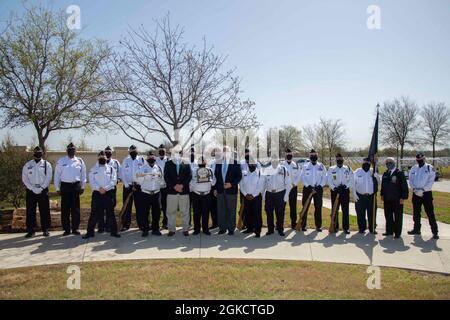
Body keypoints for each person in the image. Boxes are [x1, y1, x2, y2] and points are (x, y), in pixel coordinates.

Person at [83, 151, 120, 239]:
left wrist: (105, 188)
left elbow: (113, 181)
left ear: (106, 158)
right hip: (97, 194)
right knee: (94, 214)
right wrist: (99, 188)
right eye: (100, 157)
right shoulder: (93, 169)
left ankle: (114, 232)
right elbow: (92, 182)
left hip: (108, 193)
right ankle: (90, 232)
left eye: (103, 157)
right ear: (98, 158)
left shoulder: (111, 169)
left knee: (110, 213)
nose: (102, 159)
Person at [54, 143, 86, 236]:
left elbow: (83, 174)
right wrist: (57, 187)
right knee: (65, 209)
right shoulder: (61, 161)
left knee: (75, 209)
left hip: (75, 186)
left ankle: (75, 228)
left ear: (75, 151)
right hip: (65, 187)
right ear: (67, 151)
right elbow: (57, 175)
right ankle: (67, 229)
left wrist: (82, 186)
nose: (71, 151)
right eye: (69, 149)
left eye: (73, 149)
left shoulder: (79, 161)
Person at [21, 146, 52, 238]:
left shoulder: (47, 164)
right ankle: (31, 230)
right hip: (31, 190)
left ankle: (45, 229)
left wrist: (42, 187)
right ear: (33, 153)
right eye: (36, 152)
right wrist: (31, 188)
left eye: (39, 152)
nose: (38, 154)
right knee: (30, 211)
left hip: (43, 190)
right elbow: (24, 178)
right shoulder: (28, 165)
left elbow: (49, 177)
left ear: (42, 153)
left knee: (45, 210)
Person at [407, 153, 439, 239]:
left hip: (426, 193)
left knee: (430, 213)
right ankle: (416, 229)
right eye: (418, 160)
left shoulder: (429, 167)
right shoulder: (414, 168)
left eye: (421, 160)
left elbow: (431, 180)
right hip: (416, 193)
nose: (419, 161)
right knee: (416, 212)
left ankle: (435, 232)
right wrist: (414, 189)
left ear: (424, 159)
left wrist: (424, 190)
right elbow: (411, 180)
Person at [212, 146, 242, 235]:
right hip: (220, 190)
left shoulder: (235, 163)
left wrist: (231, 184)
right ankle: (222, 228)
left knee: (231, 210)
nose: (225, 152)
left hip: (231, 191)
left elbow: (239, 176)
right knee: (221, 210)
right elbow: (216, 177)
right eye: (223, 151)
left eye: (227, 151)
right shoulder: (218, 163)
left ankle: (231, 229)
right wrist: (215, 189)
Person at [164, 145, 192, 236]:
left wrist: (182, 185)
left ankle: (185, 229)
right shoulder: (168, 164)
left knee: (185, 211)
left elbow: (189, 176)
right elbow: (166, 176)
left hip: (184, 191)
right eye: (175, 152)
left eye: (179, 152)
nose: (177, 154)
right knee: (171, 211)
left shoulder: (186, 163)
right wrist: (174, 186)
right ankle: (171, 229)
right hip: (172, 191)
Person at [136, 151, 163, 237]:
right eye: (150, 157)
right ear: (147, 159)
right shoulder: (142, 168)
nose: (151, 159)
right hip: (146, 193)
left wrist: (158, 178)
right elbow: (137, 180)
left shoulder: (158, 168)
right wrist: (145, 177)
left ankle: (155, 229)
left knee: (157, 212)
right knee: (145, 212)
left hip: (156, 193)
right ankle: (145, 229)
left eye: (153, 157)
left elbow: (162, 181)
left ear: (155, 159)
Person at [263, 154, 291, 236]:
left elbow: (288, 184)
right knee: (269, 212)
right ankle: (270, 229)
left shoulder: (283, 169)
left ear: (278, 160)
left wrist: (286, 196)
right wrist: (263, 195)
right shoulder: (266, 170)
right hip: (269, 193)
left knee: (280, 212)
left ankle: (280, 229)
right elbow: (263, 184)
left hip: (280, 193)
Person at [380, 157, 408, 239]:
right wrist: (382, 194)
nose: (389, 164)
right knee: (388, 215)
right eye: (387, 163)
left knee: (398, 216)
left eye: (390, 163)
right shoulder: (385, 173)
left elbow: (404, 186)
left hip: (397, 199)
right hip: (387, 199)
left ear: (394, 163)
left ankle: (397, 233)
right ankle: (389, 231)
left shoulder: (399, 173)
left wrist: (403, 197)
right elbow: (383, 186)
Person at [299, 149, 327, 232]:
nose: (313, 156)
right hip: (307, 189)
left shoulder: (321, 166)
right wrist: (308, 186)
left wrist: (320, 186)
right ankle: (303, 225)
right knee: (305, 207)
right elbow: (302, 177)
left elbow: (324, 177)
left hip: (318, 189)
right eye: (312, 155)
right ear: (309, 156)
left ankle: (318, 226)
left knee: (318, 207)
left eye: (315, 155)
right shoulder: (305, 166)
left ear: (317, 156)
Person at [327, 153, 354, 234]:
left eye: (341, 158)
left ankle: (346, 228)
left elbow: (351, 179)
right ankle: (335, 226)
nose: (339, 160)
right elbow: (329, 179)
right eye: (338, 158)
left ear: (343, 159)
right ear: (336, 159)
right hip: (335, 192)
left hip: (345, 191)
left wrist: (346, 186)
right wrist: (334, 188)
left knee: (345, 210)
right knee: (335, 209)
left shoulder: (348, 168)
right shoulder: (331, 169)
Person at [120, 145, 145, 231]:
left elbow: (144, 172)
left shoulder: (142, 160)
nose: (133, 152)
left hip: (139, 187)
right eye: (131, 151)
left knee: (140, 206)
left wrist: (140, 183)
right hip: (128, 186)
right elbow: (122, 173)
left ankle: (141, 224)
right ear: (129, 152)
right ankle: (126, 225)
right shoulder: (126, 161)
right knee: (127, 206)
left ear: (137, 151)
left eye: (135, 150)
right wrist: (126, 184)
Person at [97, 146, 121, 233]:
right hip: (100, 189)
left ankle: (108, 225)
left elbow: (119, 173)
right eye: (106, 152)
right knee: (100, 208)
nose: (107, 153)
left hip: (111, 189)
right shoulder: (99, 162)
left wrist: (117, 180)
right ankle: (101, 226)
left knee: (110, 207)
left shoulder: (115, 162)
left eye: (109, 152)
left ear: (111, 153)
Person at [240, 156, 265, 237]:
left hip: (256, 197)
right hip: (246, 196)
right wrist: (245, 194)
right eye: (250, 163)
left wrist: (253, 195)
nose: (251, 165)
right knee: (248, 213)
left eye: (253, 163)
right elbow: (241, 185)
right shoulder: (244, 173)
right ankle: (249, 228)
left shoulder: (260, 173)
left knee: (257, 214)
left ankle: (257, 231)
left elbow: (260, 186)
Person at [353, 158, 379, 234]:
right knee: (360, 213)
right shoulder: (357, 172)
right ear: (362, 163)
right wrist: (354, 195)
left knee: (372, 213)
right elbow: (353, 184)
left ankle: (372, 228)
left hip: (371, 196)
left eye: (368, 163)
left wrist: (376, 172)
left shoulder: (372, 171)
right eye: (365, 162)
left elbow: (378, 183)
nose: (366, 164)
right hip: (360, 196)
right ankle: (361, 228)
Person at [190, 156, 215, 235]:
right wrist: (197, 182)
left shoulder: (210, 170)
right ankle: (196, 229)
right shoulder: (193, 170)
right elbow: (190, 182)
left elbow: (214, 181)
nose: (202, 162)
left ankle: (205, 229)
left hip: (206, 194)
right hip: (196, 194)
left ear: (206, 162)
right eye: (200, 161)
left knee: (206, 213)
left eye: (203, 161)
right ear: (198, 162)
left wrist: (208, 180)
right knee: (196, 213)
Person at [281, 148, 301, 229]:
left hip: (293, 188)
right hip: (284, 188)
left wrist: (294, 184)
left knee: (293, 206)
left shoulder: (296, 165)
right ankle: (279, 223)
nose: (289, 155)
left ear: (292, 155)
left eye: (290, 154)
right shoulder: (281, 164)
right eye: (287, 154)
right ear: (285, 155)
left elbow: (299, 176)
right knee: (281, 206)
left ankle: (293, 223)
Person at [156, 144, 168, 229]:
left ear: (165, 151)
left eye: (163, 151)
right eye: (160, 151)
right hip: (156, 186)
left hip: (167, 186)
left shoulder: (169, 160)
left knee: (166, 205)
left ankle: (165, 222)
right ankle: (156, 223)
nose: (161, 152)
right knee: (157, 205)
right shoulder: (155, 160)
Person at [208, 148, 220, 229]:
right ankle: (215, 223)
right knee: (212, 206)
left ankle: (221, 223)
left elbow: (219, 176)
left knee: (219, 206)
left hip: (218, 187)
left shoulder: (221, 162)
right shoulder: (211, 162)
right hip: (211, 187)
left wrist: (216, 188)